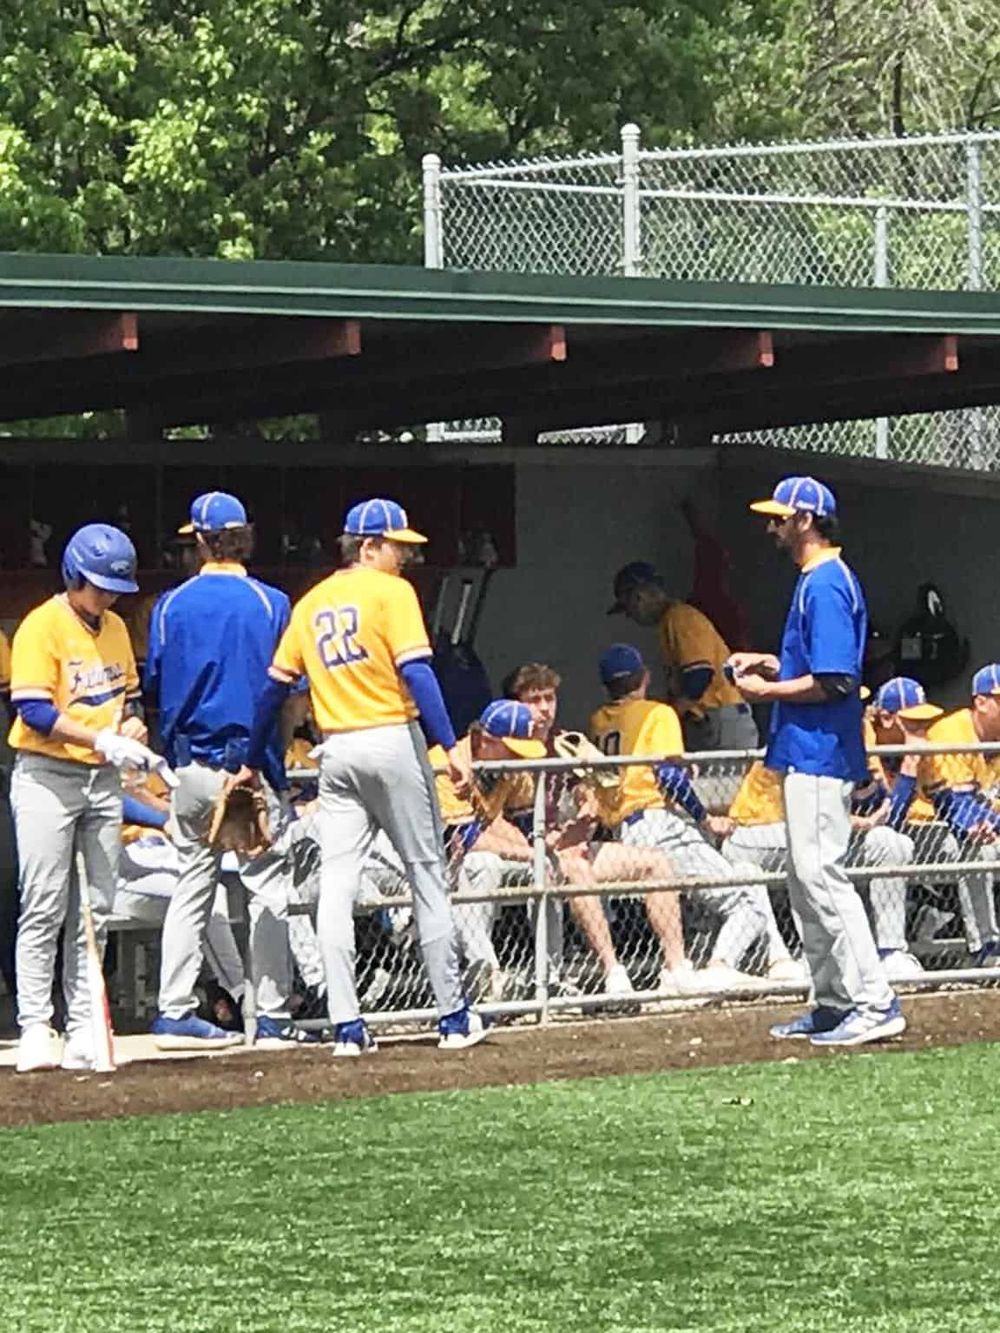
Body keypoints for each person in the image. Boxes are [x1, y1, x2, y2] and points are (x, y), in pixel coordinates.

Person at [240, 497, 486, 1056]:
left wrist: (252, 758)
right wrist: (450, 745)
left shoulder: (310, 602)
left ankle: (347, 1026)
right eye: (397, 546)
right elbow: (417, 673)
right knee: (426, 873)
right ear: (368, 546)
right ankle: (453, 1017)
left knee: (336, 884)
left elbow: (274, 690)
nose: (405, 557)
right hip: (392, 737)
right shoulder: (391, 592)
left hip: (337, 748)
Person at [733, 475, 903, 1046]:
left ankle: (874, 1000)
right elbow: (820, 668)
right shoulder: (817, 578)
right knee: (804, 877)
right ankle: (833, 999)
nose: (771, 527)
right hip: (807, 747)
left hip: (820, 748)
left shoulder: (826, 581)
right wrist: (772, 665)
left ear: (805, 520)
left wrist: (767, 691)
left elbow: (836, 680)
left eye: (780, 518)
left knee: (820, 874)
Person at [144, 492, 315, 1050]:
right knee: (267, 889)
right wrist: (272, 763)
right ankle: (272, 1019)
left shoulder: (170, 605)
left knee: (193, 884)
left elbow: (154, 687)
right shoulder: (271, 602)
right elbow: (291, 697)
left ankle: (174, 1011)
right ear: (245, 537)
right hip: (250, 767)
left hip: (190, 767)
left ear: (199, 541)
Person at [8, 523, 165, 1072]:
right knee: (44, 903)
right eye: (99, 588)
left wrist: (132, 728)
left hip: (102, 779)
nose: (107, 598)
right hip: (48, 774)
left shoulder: (116, 626)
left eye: (114, 590)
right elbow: (34, 709)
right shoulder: (42, 625)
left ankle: (84, 1024)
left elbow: (131, 698)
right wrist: (101, 738)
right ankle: (35, 1025)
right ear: (74, 576)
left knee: (95, 907)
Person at [588, 644, 771, 990]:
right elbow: (668, 775)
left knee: (687, 902)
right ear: (644, 677)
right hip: (656, 821)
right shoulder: (657, 713)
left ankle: (680, 970)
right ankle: (719, 965)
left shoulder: (598, 720)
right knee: (746, 901)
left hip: (624, 830)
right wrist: (703, 818)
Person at [504, 661, 691, 995]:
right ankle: (612, 970)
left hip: (568, 846)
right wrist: (547, 844)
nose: (545, 708)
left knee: (656, 862)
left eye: (550, 698)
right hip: (523, 852)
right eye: (534, 700)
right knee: (576, 868)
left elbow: (592, 788)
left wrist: (587, 811)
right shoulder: (504, 748)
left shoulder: (566, 742)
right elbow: (499, 819)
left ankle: (676, 969)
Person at [607, 560, 758, 752]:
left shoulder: (680, 617)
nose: (629, 615)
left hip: (719, 717)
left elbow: (700, 675)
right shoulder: (669, 620)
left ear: (639, 597)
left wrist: (669, 715)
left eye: (627, 607)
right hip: (711, 719)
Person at [922, 663, 1000, 963]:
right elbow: (957, 805)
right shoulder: (952, 732)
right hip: (927, 829)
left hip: (978, 828)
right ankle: (986, 948)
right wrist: (985, 823)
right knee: (977, 849)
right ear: (981, 702)